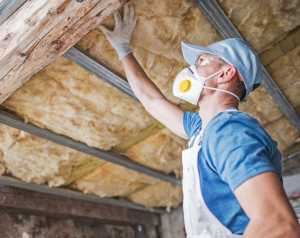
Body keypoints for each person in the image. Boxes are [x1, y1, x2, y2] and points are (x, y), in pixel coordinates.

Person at [100, 4, 300, 238]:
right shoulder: (203, 130)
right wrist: (124, 49)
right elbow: (152, 100)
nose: (191, 68)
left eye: (203, 61)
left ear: (226, 74)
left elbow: (278, 225)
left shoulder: (230, 131)